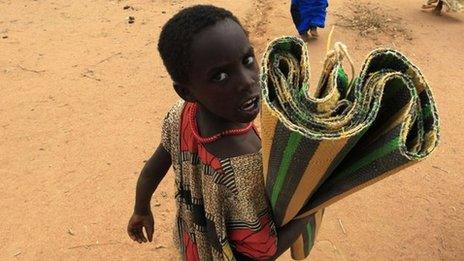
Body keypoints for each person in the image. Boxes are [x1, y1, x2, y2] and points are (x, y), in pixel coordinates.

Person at [126, 5, 311, 261]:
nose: (247, 81)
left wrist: (141, 209)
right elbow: (263, 252)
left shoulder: (181, 115)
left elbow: (152, 169)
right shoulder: (245, 161)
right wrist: (308, 212)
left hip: (192, 243)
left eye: (247, 60)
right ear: (186, 91)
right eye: (221, 76)